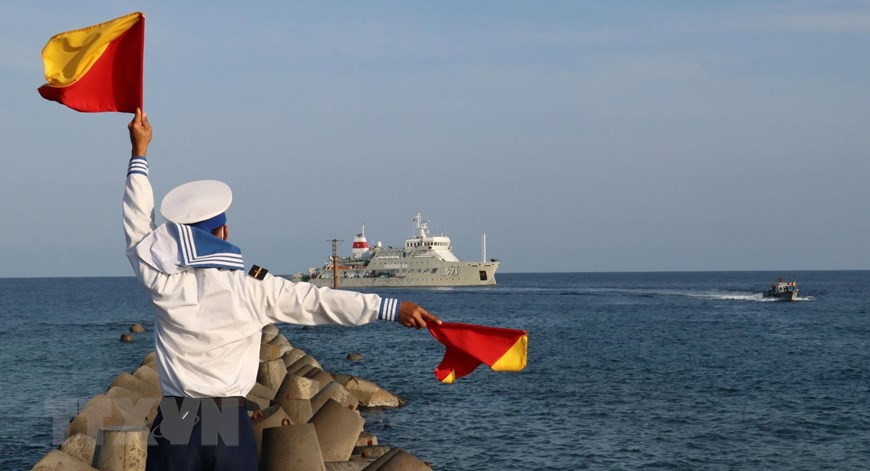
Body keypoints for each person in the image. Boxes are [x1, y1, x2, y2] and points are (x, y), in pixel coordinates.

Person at [123, 109, 440, 470]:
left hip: (177, 417)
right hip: (226, 419)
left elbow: (137, 229)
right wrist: (390, 308)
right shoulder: (252, 288)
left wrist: (139, 153)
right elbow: (319, 302)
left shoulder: (164, 282)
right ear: (223, 233)